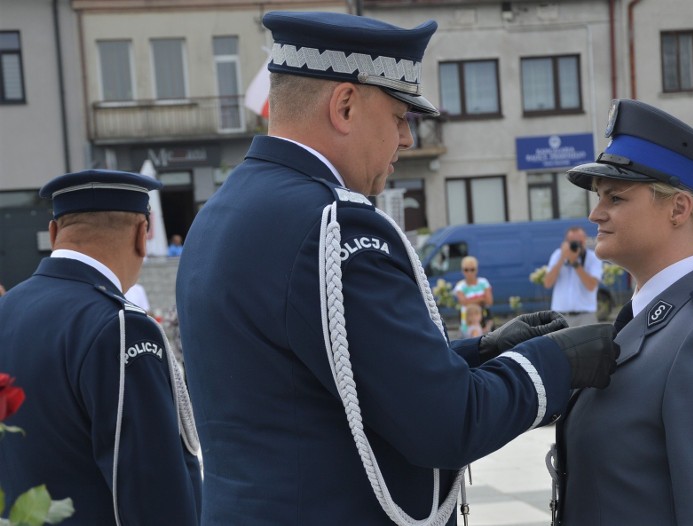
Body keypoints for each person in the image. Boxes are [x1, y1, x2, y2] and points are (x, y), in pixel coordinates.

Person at [176, 11, 618, 525]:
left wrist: (480, 353)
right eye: (398, 117)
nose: (406, 139)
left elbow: (320, 382)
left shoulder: (220, 213)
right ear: (345, 106)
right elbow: (444, 424)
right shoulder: (334, 224)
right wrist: (554, 363)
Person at [551, 99, 693, 525]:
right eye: (599, 197)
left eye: (615, 197)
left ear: (678, 208)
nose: (596, 213)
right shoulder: (653, 320)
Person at [0, 169, 202, 525]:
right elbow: (153, 489)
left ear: (53, 233)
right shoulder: (121, 326)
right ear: (144, 234)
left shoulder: (8, 308)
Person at [543, 227, 603, 327]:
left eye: (579, 241)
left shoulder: (593, 257)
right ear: (566, 242)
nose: (576, 245)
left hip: (586, 316)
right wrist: (562, 258)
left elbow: (591, 286)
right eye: (572, 242)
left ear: (585, 240)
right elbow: (547, 283)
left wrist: (574, 263)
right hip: (560, 316)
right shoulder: (558, 255)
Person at [453, 255, 493, 333]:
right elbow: (463, 302)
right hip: (468, 320)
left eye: (472, 269)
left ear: (476, 270)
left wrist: (470, 300)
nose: (469, 272)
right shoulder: (460, 285)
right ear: (462, 271)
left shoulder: (483, 282)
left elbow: (489, 301)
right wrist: (481, 299)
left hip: (483, 319)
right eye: (466, 270)